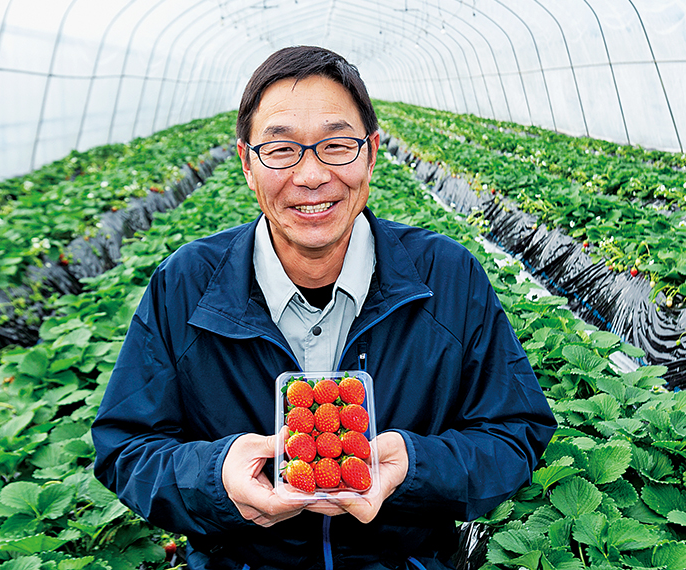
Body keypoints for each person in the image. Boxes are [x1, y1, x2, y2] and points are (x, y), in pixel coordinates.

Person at [91, 45, 556, 570]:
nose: (311, 175)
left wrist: (416, 466)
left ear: (372, 153)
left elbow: (517, 432)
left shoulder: (448, 278)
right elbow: (125, 448)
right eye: (282, 150)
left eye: (337, 145)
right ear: (246, 163)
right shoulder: (185, 285)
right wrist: (216, 475)